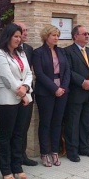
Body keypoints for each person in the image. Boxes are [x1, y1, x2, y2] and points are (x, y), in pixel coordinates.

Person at [0, 24, 33, 179]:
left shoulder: (21, 53)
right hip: (7, 100)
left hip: (24, 97)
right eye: (15, 36)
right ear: (7, 36)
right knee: (6, 135)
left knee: (19, 134)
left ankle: (17, 167)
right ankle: (6, 169)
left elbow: (29, 73)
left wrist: (26, 88)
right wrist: (21, 92)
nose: (18, 39)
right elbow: (7, 77)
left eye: (19, 36)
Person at [33, 25, 70, 167]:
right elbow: (40, 74)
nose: (56, 38)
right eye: (53, 35)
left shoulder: (61, 51)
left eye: (57, 35)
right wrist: (54, 88)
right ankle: (44, 153)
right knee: (45, 122)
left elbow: (67, 71)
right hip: (45, 92)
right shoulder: (38, 53)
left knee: (57, 122)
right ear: (46, 36)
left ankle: (55, 151)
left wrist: (63, 88)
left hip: (62, 91)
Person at [64, 25, 89, 162]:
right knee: (73, 123)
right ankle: (72, 150)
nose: (87, 36)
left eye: (88, 33)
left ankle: (84, 147)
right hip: (77, 93)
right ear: (75, 36)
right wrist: (82, 82)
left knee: (86, 123)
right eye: (84, 34)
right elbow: (68, 70)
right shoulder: (68, 51)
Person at [14, 21, 38, 166]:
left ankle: (22, 155)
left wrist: (27, 89)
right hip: (13, 94)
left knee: (24, 126)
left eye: (26, 30)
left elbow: (29, 72)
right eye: (22, 31)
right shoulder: (4, 49)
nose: (25, 33)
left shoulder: (28, 49)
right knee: (13, 129)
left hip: (27, 93)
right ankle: (13, 157)